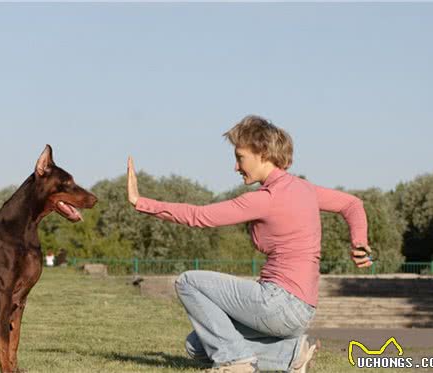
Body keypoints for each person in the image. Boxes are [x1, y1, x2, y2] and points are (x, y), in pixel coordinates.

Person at [126, 115, 372, 373]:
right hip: (302, 310)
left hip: (278, 303)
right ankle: (291, 354)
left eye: (240, 157)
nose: (236, 166)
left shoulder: (266, 198)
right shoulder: (304, 188)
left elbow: (199, 216)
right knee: (197, 346)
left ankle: (236, 363)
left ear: (262, 154)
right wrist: (359, 243)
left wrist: (140, 202)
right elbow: (351, 204)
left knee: (188, 281)